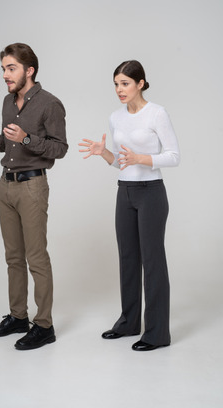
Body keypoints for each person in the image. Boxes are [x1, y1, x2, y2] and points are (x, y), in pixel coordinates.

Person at [0, 43, 68, 350]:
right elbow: (9, 146)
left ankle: (44, 325)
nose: (5, 75)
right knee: (13, 257)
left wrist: (27, 137)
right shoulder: (7, 102)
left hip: (32, 187)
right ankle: (18, 317)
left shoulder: (50, 104)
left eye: (11, 68)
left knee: (36, 257)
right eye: (3, 69)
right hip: (6, 185)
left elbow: (59, 149)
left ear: (29, 70)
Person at [79, 60, 180, 351]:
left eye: (125, 83)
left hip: (151, 193)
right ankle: (129, 322)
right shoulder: (115, 117)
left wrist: (143, 159)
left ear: (141, 83)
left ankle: (158, 332)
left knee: (152, 260)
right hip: (125, 192)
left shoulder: (157, 113)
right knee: (127, 258)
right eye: (116, 84)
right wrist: (104, 154)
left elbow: (174, 156)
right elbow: (121, 164)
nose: (119, 90)